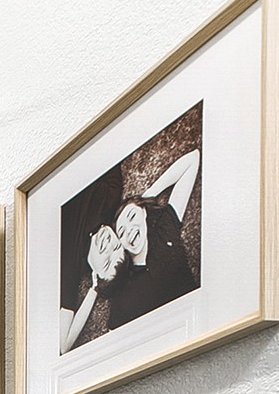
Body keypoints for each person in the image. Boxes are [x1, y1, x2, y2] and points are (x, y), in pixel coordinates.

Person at [60, 148, 201, 354]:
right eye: (117, 245)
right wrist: (138, 206)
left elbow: (63, 346)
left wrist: (93, 290)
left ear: (95, 273)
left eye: (106, 262)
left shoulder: (68, 267)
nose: (108, 245)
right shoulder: (111, 200)